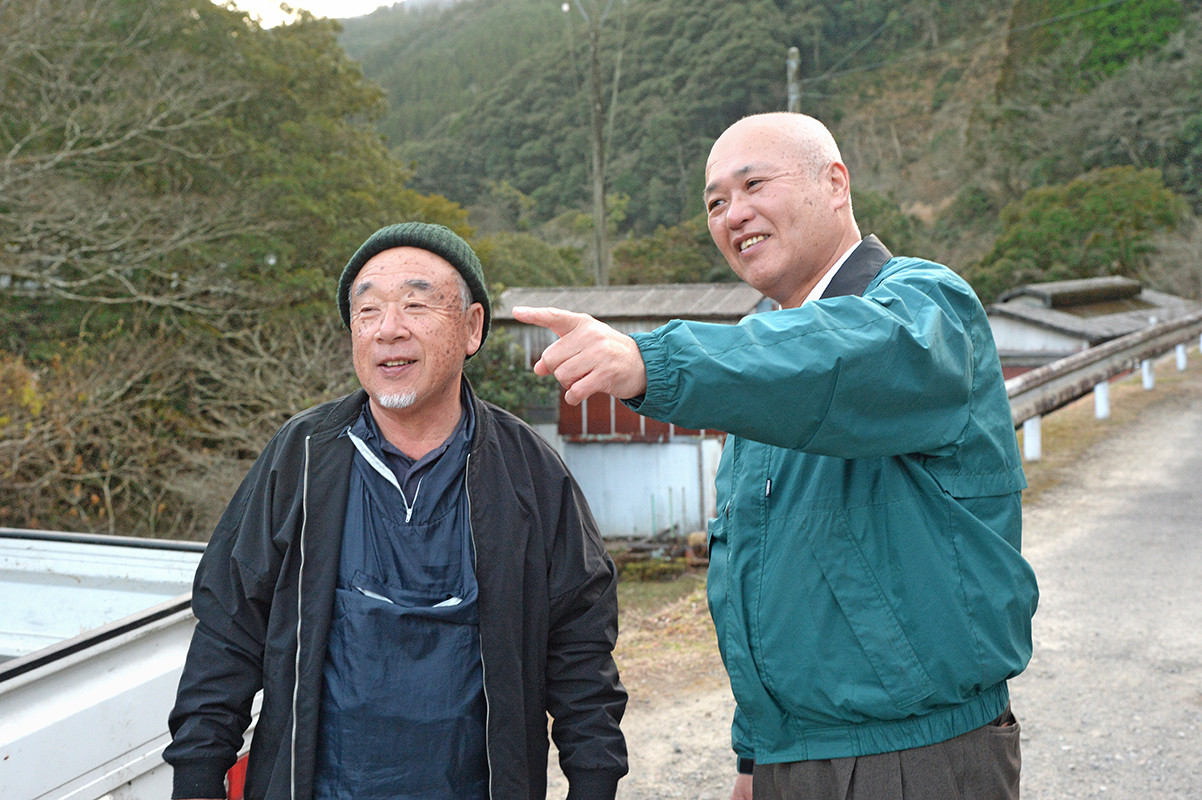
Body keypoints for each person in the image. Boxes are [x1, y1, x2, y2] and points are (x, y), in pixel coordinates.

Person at [512, 112, 1038, 800]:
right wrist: (755, 755)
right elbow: (758, 576)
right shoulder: (762, 347)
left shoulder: (924, 306)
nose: (734, 214)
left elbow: (841, 359)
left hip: (916, 754)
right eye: (715, 202)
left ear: (835, 183)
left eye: (753, 184)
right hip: (792, 758)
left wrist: (652, 359)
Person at [165, 222, 628, 800]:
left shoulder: (529, 473)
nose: (389, 330)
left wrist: (595, 784)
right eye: (367, 312)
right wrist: (197, 778)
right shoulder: (302, 458)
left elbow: (581, 652)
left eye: (416, 304)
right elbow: (226, 634)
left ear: (472, 328)